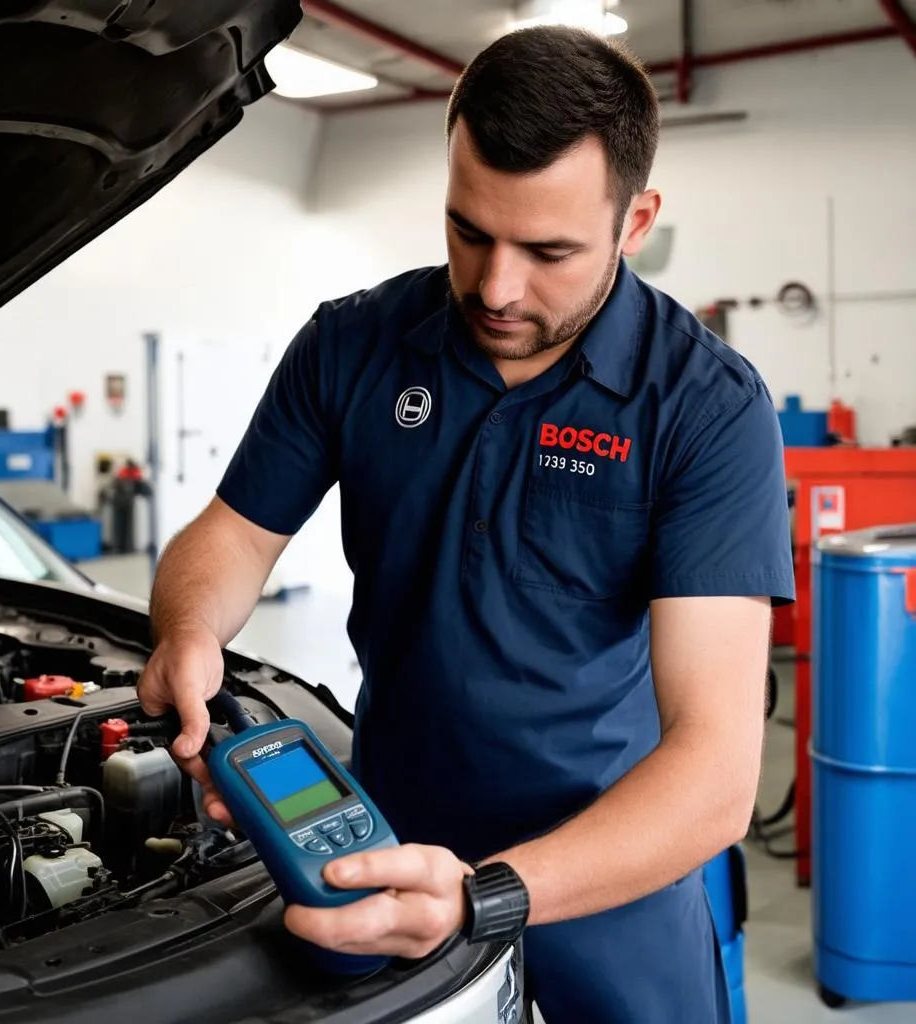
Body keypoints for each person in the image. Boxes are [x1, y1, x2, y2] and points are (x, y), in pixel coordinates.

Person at [138, 25, 794, 1023]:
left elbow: (713, 773)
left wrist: (485, 895)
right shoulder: (352, 346)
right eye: (468, 230)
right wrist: (189, 628)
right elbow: (230, 536)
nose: (494, 287)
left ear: (636, 220)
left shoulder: (702, 405)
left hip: (607, 877)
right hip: (378, 847)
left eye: (548, 251)